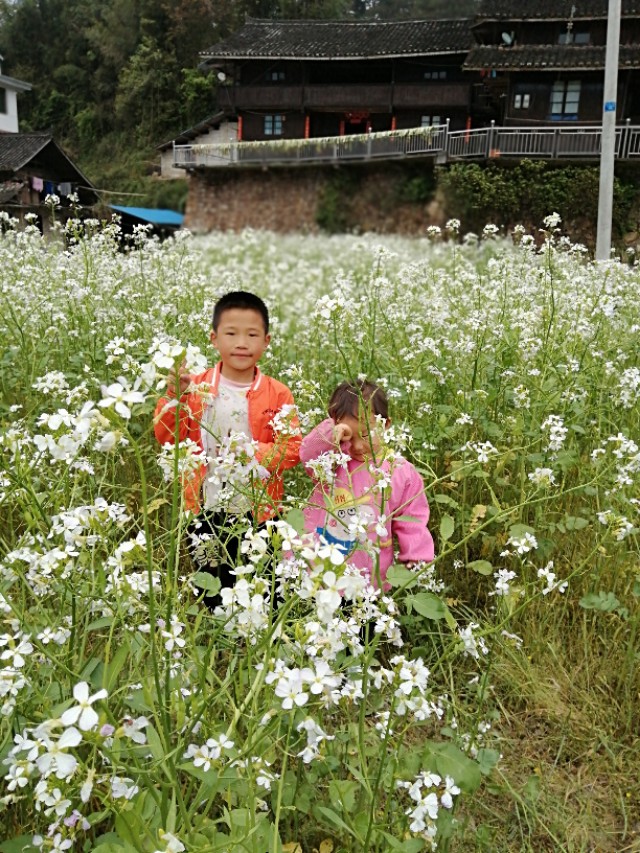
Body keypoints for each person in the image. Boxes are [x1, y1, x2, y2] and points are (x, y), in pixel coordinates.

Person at [154, 290, 301, 602]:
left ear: (266, 341)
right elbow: (169, 438)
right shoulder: (194, 386)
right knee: (212, 591)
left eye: (252, 335)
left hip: (260, 512)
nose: (242, 343)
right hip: (204, 510)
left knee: (266, 588)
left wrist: (250, 453)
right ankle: (217, 631)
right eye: (231, 333)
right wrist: (174, 397)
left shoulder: (278, 393)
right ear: (214, 338)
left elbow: (291, 449)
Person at [300, 379, 434, 588]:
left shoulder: (401, 471)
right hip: (320, 569)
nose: (357, 446)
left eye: (364, 434)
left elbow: (413, 520)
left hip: (368, 578)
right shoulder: (332, 459)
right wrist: (332, 433)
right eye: (348, 436)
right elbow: (307, 454)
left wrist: (416, 559)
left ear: (385, 424)